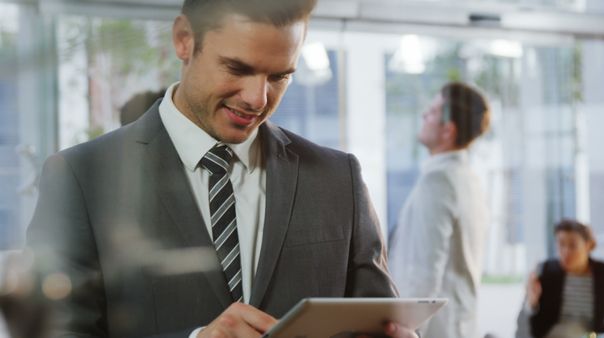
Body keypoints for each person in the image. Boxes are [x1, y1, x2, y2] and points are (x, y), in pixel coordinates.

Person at [26, 1, 417, 337]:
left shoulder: (336, 178)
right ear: (184, 39)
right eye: (237, 67)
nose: (257, 98)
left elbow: (378, 318)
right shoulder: (80, 177)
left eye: (279, 76)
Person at [388, 82, 491, 338]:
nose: (424, 115)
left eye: (433, 111)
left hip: (434, 330)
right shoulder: (468, 179)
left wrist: (406, 330)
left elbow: (424, 270)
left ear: (448, 130)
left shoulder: (439, 181)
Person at [525, 219, 604, 338]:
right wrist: (532, 303)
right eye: (561, 244)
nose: (566, 251)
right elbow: (536, 326)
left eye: (573, 245)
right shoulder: (547, 271)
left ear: (588, 245)